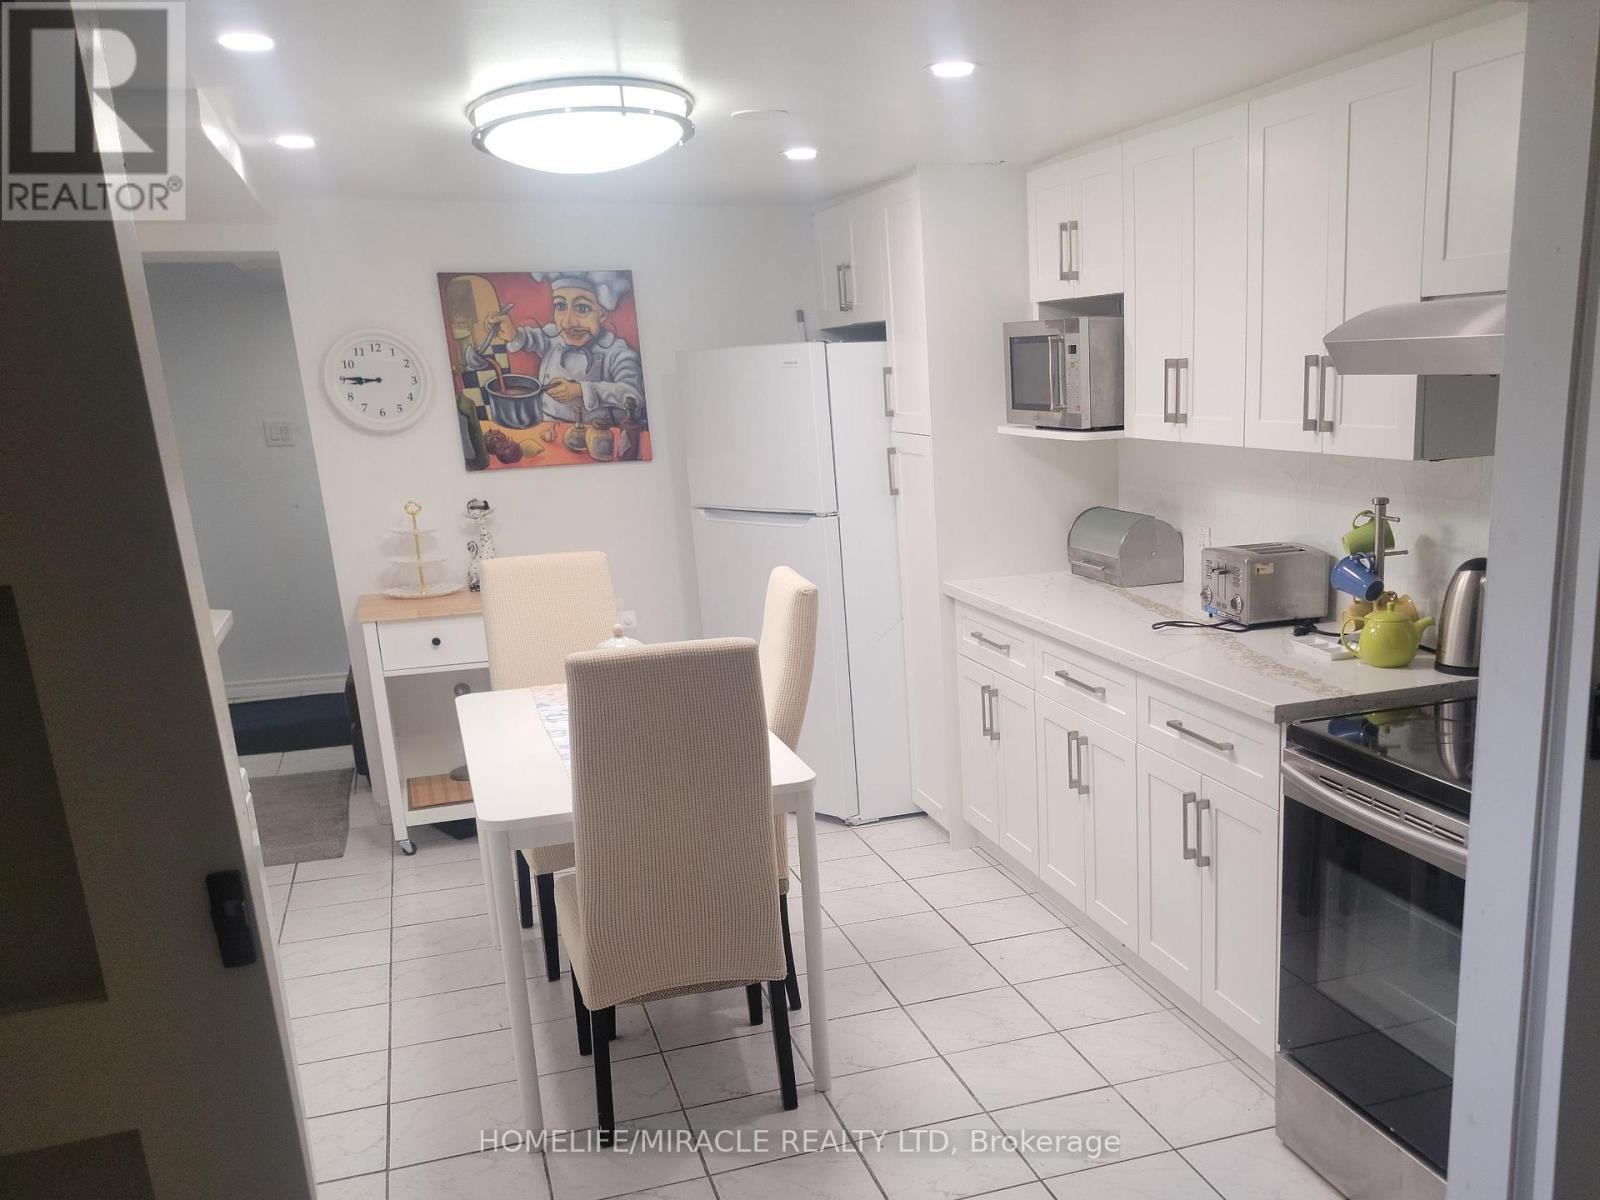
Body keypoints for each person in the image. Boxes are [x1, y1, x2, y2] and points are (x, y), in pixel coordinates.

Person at [488, 271, 646, 425]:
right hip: (546, 427)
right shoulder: (553, 335)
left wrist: (581, 390)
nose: (567, 323)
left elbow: (634, 394)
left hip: (592, 438)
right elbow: (530, 338)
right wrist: (513, 333)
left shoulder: (617, 352)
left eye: (582, 308)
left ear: (602, 314)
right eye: (561, 306)